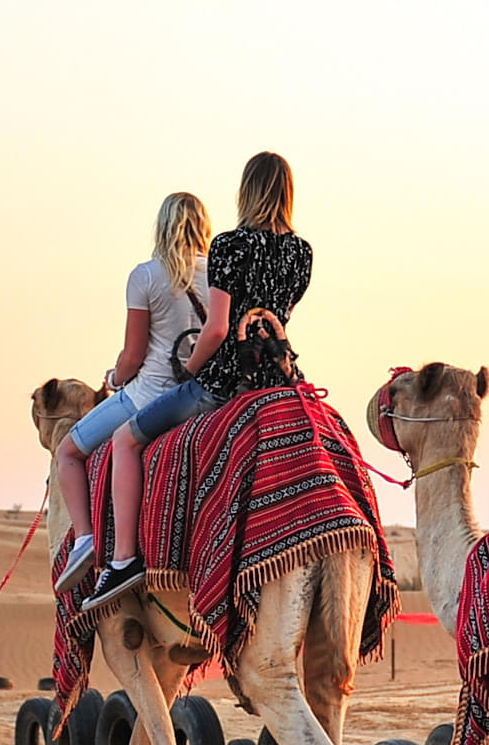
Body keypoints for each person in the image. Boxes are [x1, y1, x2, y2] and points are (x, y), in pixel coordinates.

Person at [86, 150, 311, 609]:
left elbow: (218, 329)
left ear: (247, 190)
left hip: (226, 382)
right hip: (280, 380)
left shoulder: (230, 245)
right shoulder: (302, 252)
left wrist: (191, 371)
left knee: (127, 440)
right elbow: (277, 318)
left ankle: (123, 560)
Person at [50, 192, 212, 594]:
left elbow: (133, 354)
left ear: (162, 226)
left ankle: (87, 540)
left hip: (148, 394)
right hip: (203, 397)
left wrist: (114, 377)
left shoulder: (146, 276)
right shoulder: (219, 276)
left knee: (67, 451)